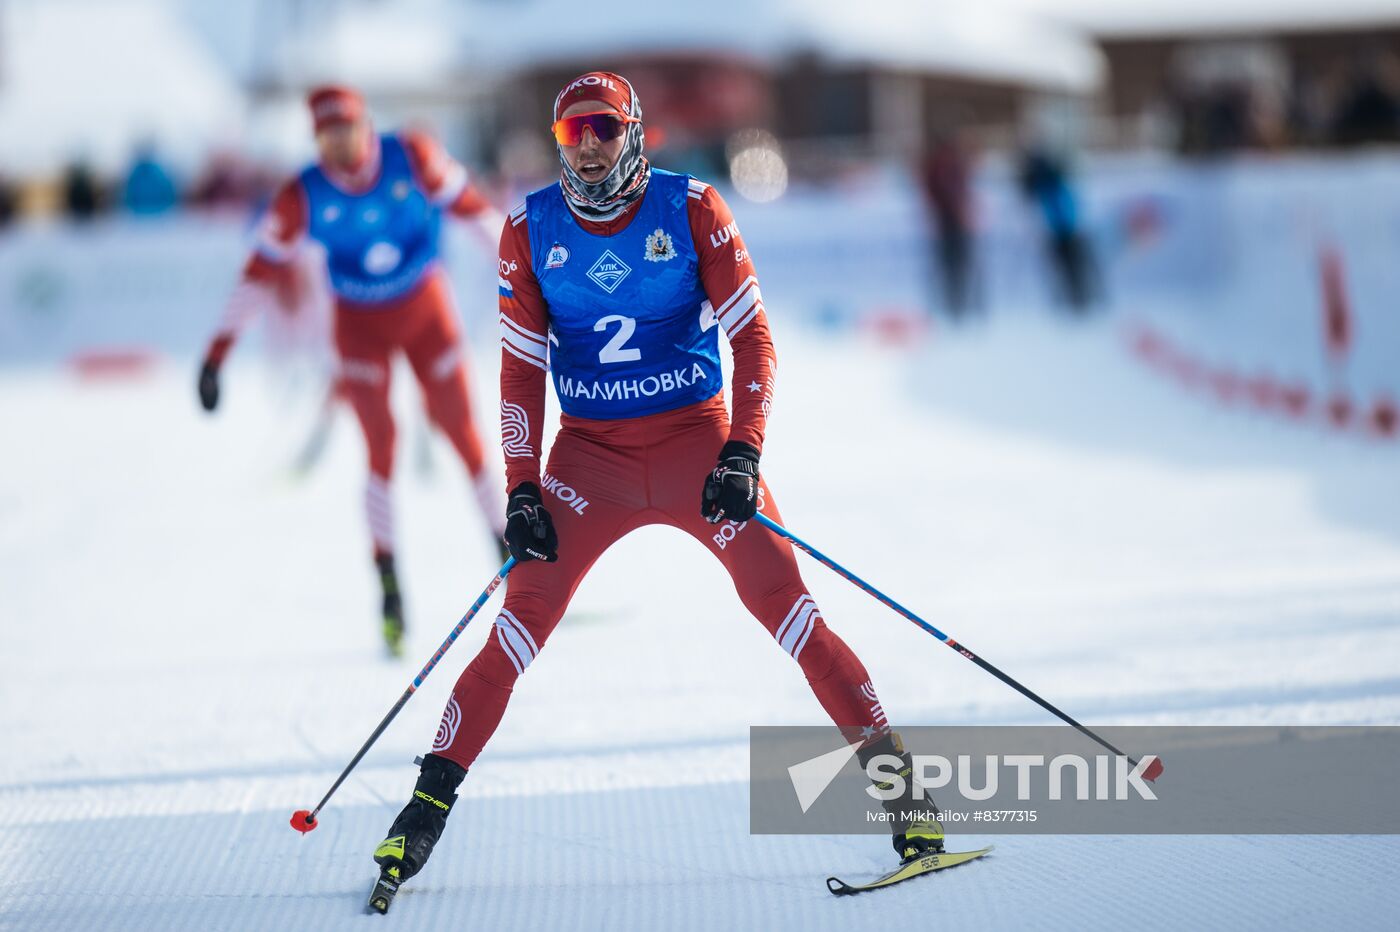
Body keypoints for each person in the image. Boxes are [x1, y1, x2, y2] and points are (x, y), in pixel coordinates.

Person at [368, 71, 941, 902]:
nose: (589, 145)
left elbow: (756, 341)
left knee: (792, 611)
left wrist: (742, 452)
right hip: (587, 462)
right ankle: (419, 819)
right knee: (514, 631)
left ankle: (908, 802)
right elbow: (520, 375)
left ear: (632, 131)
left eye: (602, 127)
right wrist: (522, 489)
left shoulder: (695, 207)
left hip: (694, 447)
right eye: (572, 133)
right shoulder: (528, 229)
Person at [197, 85, 506, 655]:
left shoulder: (412, 155)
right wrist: (217, 354)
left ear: (366, 125)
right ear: (317, 139)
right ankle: (390, 593)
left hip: (426, 314)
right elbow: (259, 272)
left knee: (465, 437)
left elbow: (479, 214)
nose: (341, 144)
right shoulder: (304, 194)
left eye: (348, 129)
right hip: (359, 327)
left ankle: (515, 565)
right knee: (381, 450)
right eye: (327, 134)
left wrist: (531, 289)